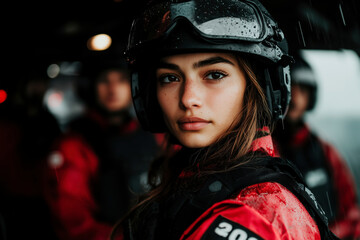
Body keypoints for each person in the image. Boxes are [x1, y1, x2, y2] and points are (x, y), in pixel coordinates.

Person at [111, 0, 340, 239]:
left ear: (254, 89)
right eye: (170, 78)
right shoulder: (192, 178)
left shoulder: (257, 212)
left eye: (214, 75)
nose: (188, 99)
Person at [43, 61, 164, 240]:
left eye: (121, 80)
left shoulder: (154, 134)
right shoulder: (75, 145)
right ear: (90, 86)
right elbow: (73, 218)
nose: (113, 88)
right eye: (104, 81)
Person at [273, 53, 360, 239]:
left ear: (311, 97)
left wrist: (329, 234)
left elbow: (351, 212)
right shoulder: (263, 150)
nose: (295, 98)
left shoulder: (325, 151)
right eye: (290, 88)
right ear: (278, 92)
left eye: (302, 90)